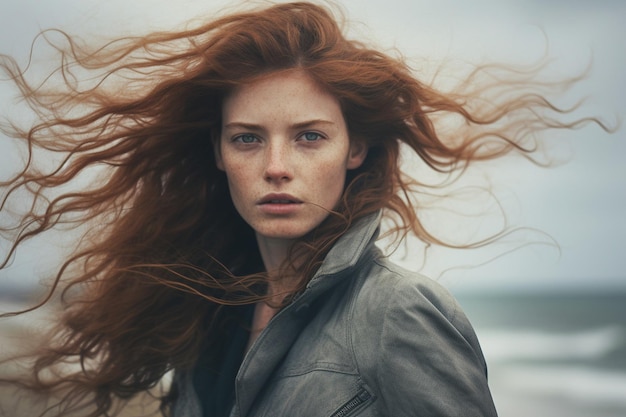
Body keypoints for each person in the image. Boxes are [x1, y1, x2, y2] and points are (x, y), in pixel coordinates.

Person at [0, 2, 609, 417]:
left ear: (355, 150)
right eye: (247, 138)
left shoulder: (398, 314)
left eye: (310, 136)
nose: (276, 166)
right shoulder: (206, 312)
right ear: (217, 151)